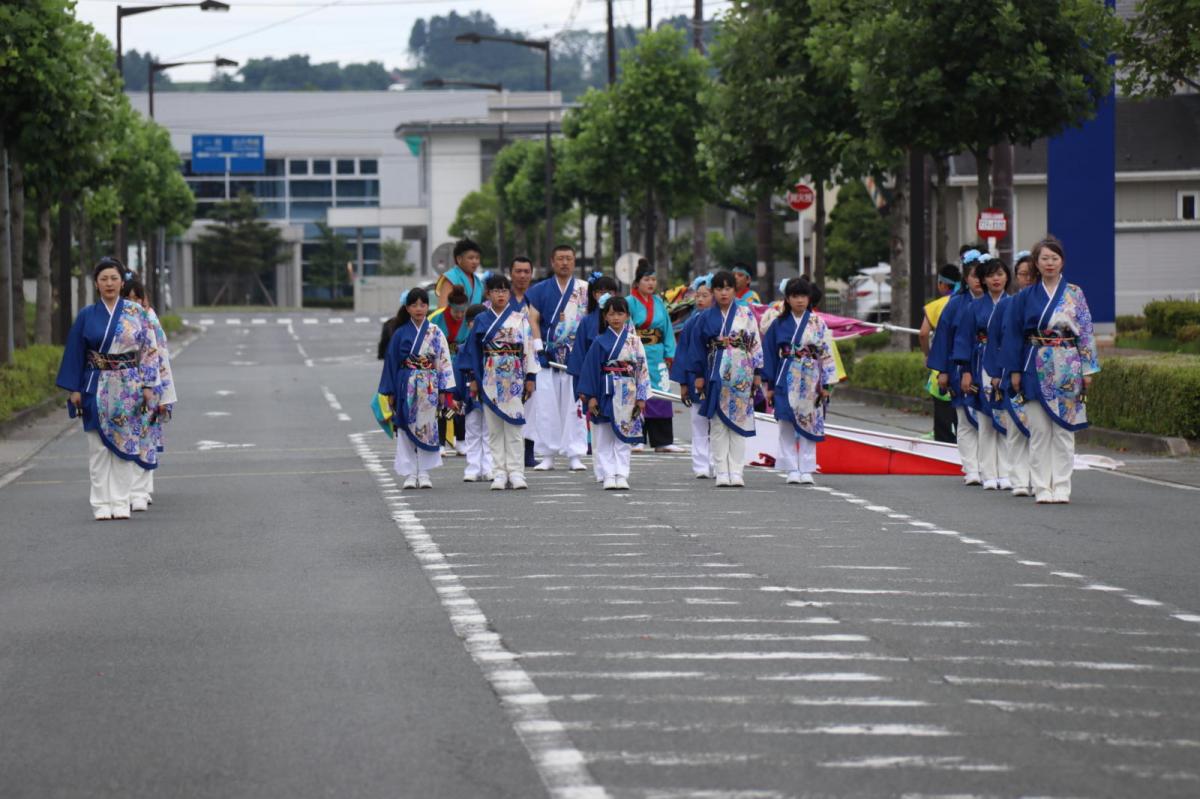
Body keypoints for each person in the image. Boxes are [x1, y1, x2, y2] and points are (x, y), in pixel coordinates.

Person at [55, 258, 162, 520]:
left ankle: (121, 500)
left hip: (129, 386)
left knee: (126, 446)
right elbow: (75, 353)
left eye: (114, 278)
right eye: (104, 279)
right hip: (95, 384)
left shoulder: (136, 313)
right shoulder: (86, 316)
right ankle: (101, 503)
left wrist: (149, 384)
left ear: (122, 281)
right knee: (98, 448)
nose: (109, 283)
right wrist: (74, 389)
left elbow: (149, 349)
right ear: (96, 283)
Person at [1002, 237, 1100, 504]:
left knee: (1064, 431)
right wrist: (1014, 370)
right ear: (1036, 262)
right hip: (1034, 364)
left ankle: (1062, 485)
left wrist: (1088, 369)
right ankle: (1042, 486)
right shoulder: (1024, 297)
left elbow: (1087, 331)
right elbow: (1012, 335)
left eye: (1054, 258)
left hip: (1068, 366)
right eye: (1044, 258)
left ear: (1062, 262)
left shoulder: (1075, 293)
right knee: (1040, 431)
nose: (1049, 263)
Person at [681, 270, 764, 487]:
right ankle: (721, 471)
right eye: (719, 289)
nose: (723, 293)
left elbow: (755, 344)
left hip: (741, 374)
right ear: (713, 292)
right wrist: (698, 376)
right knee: (717, 425)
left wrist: (757, 374)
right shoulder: (706, 317)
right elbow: (697, 348)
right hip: (714, 372)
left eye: (728, 288)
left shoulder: (746, 314)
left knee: (738, 425)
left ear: (735, 291)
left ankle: (736, 471)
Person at [461, 274, 539, 490]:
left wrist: (530, 377)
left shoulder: (520, 319)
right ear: (489, 294)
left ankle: (516, 472)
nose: (501, 294)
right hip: (489, 377)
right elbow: (472, 352)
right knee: (494, 429)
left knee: (514, 427)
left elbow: (529, 348)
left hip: (514, 377)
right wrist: (473, 380)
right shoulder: (481, 320)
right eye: (496, 290)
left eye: (505, 290)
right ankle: (498, 472)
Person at [378, 287, 458, 489]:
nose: (419, 308)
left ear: (427, 306)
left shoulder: (435, 332)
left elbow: (443, 361)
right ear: (407, 308)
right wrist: (390, 392)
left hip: (430, 385)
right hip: (406, 384)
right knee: (405, 428)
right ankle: (409, 473)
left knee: (428, 428)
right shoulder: (399, 333)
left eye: (423, 304)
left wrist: (445, 390)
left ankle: (424, 472)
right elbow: (391, 362)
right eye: (414, 305)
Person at [762, 277, 838, 486]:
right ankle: (790, 468)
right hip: (785, 376)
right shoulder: (777, 324)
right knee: (786, 423)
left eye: (804, 296)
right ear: (787, 298)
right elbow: (769, 354)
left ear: (809, 298)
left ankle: (806, 467)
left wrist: (827, 384)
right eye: (795, 296)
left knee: (810, 423)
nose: (800, 300)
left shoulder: (818, 323)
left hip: (811, 378)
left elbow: (826, 352)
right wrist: (768, 385)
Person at [524, 245, 590, 471]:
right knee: (546, 407)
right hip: (547, 356)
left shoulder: (584, 289)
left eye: (569, 259)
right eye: (560, 258)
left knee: (575, 407)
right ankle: (548, 454)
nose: (564, 263)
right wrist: (539, 347)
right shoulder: (540, 289)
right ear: (552, 261)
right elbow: (533, 319)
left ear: (574, 262)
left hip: (576, 356)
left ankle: (575, 454)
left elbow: (590, 321)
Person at [576, 295, 650, 490]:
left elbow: (642, 369)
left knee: (624, 437)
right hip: (605, 391)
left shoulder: (635, 341)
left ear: (627, 315)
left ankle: (621, 473)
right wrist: (591, 397)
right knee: (605, 436)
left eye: (620, 313)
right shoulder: (599, 342)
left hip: (629, 393)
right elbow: (590, 369)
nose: (616, 317)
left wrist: (642, 397)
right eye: (611, 314)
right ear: (605, 317)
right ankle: (608, 474)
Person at [954, 255, 1013, 491]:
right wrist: (966, 372)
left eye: (1000, 274)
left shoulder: (1014, 304)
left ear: (1007, 276)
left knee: (1008, 418)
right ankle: (988, 472)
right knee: (986, 419)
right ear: (984, 280)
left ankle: (1007, 471)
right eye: (990, 275)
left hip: (1007, 364)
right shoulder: (973, 307)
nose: (996, 279)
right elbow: (964, 340)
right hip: (981, 365)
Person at [120, 273, 178, 512]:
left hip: (149, 386)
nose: (134, 302)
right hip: (122, 387)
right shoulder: (117, 320)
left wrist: (163, 394)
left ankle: (141, 491)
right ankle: (128, 490)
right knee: (125, 439)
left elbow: (161, 356)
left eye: (138, 298)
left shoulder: (150, 318)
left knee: (146, 436)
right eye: (129, 297)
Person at [927, 249, 984, 485]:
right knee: (963, 417)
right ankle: (971, 467)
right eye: (973, 276)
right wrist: (942, 371)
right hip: (960, 366)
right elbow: (942, 338)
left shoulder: (1002, 304)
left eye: (983, 275)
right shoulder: (954, 305)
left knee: (989, 419)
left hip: (989, 366)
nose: (979, 280)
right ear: (966, 278)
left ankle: (989, 465)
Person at [990, 251, 1037, 496]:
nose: (1026, 279)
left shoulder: (1044, 303)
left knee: (1039, 429)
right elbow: (996, 339)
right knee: (1016, 428)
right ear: (1014, 277)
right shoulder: (1007, 304)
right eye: (1022, 274)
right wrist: (997, 372)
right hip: (1013, 373)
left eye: (1031, 274)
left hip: (1040, 372)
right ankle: (1019, 480)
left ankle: (1039, 478)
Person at [628, 259, 681, 453]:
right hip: (637, 355)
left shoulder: (659, 302)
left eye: (653, 280)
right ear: (637, 282)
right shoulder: (629, 303)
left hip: (657, 354)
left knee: (661, 394)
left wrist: (669, 353)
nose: (650, 283)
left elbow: (667, 329)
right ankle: (636, 438)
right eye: (646, 279)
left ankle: (662, 440)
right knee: (637, 393)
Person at [672, 275, 714, 478]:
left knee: (717, 423)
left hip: (716, 376)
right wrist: (683, 383)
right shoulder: (690, 323)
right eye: (697, 295)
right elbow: (682, 353)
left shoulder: (721, 320)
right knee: (698, 422)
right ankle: (701, 465)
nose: (700, 299)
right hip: (695, 377)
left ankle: (717, 461)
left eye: (705, 295)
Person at [920, 264, 962, 443]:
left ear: (943, 285)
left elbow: (923, 334)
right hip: (964, 367)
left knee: (943, 420)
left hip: (941, 367)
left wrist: (928, 355)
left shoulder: (936, 306)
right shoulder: (967, 301)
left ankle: (944, 452)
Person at [454, 304, 494, 482]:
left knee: (488, 430)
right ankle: (472, 467)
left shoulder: (491, 346)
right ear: (468, 324)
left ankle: (488, 467)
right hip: (470, 394)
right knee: (472, 430)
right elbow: (457, 372)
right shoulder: (463, 348)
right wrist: (456, 395)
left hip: (489, 391)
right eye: (471, 323)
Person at [430, 285, 471, 454]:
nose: (460, 315)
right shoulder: (436, 319)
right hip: (442, 364)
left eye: (463, 312)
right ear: (449, 307)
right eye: (456, 312)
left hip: (461, 364)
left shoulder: (469, 320)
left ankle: (460, 439)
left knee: (460, 402)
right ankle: (440, 442)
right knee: (442, 402)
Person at [436, 238, 485, 308]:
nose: (475, 262)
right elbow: (442, 308)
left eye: (477, 258)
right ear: (459, 259)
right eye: (471, 258)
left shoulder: (478, 282)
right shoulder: (451, 278)